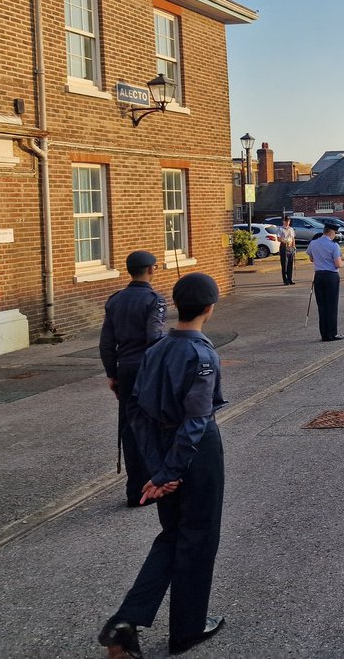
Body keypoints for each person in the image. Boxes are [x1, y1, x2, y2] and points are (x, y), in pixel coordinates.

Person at [97, 273, 227, 658]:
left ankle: (127, 620)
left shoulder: (155, 349)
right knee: (199, 536)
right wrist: (170, 471)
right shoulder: (203, 354)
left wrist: (157, 467)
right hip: (196, 452)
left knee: (173, 534)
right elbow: (196, 420)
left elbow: (135, 409)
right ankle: (187, 628)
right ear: (209, 307)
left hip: (160, 447)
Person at [99, 250, 167, 507]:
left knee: (129, 428)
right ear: (150, 270)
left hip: (124, 369)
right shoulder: (154, 300)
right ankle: (152, 483)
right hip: (146, 370)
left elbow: (106, 343)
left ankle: (134, 488)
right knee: (152, 425)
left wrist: (112, 374)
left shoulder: (115, 300)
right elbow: (154, 337)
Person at [308, 221, 344, 341]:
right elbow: (338, 264)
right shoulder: (334, 246)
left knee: (322, 305)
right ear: (331, 232)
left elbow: (311, 259)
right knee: (331, 305)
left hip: (319, 276)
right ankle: (332, 333)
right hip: (331, 276)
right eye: (335, 233)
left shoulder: (313, 243)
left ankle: (324, 333)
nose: (335, 235)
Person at [277, 217, 297, 285]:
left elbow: (293, 238)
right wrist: (284, 241)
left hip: (290, 247)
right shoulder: (280, 229)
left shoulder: (291, 229)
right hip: (284, 247)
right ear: (283, 221)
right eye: (286, 221)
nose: (287, 222)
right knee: (285, 264)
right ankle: (285, 280)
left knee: (290, 264)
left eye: (288, 221)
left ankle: (290, 279)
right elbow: (278, 238)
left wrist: (294, 246)